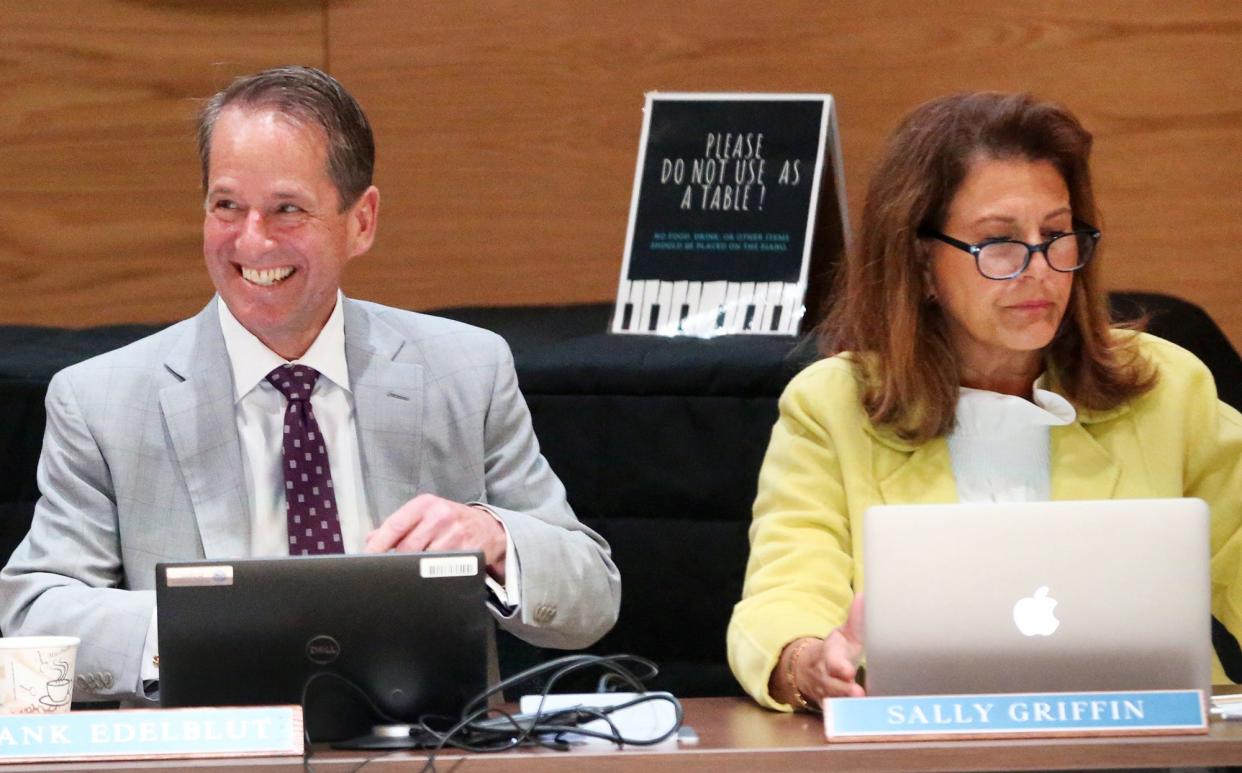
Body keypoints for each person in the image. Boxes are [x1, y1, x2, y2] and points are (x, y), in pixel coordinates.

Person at [0, 66, 620, 703]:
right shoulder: (102, 401)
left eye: (287, 210)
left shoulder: (466, 371)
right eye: (227, 206)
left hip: (425, 751)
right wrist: (191, 631)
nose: (252, 240)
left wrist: (494, 539)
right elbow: (33, 615)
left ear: (362, 221)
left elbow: (591, 595)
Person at [727, 91, 1242, 711]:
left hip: (1145, 743)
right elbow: (786, 588)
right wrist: (808, 660)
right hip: (925, 751)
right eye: (998, 242)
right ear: (920, 263)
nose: (1040, 269)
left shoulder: (1166, 385)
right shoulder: (833, 405)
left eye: (1056, 234)